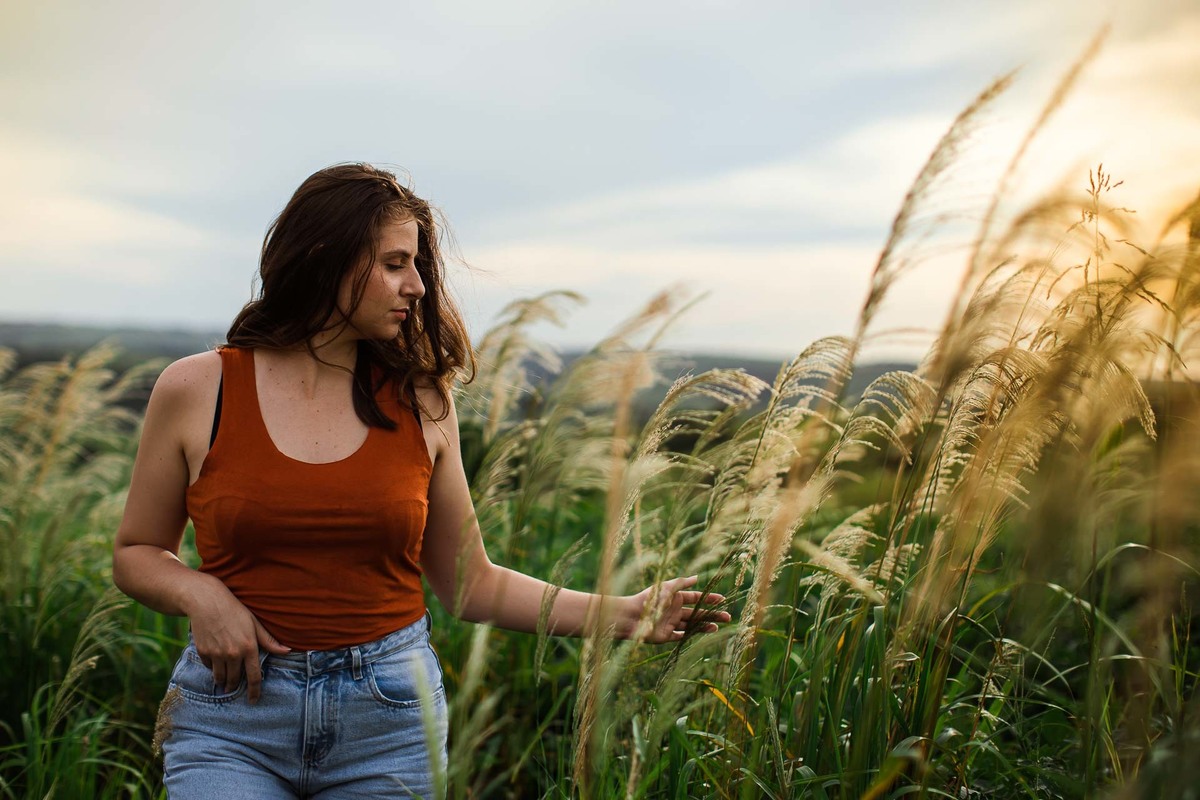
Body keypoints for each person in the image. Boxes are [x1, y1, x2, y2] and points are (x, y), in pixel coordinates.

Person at [111, 163, 729, 798]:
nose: (419, 287)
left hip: (386, 722)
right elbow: (135, 553)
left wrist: (623, 614)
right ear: (327, 258)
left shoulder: (422, 399)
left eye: (419, 266)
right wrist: (201, 596)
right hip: (231, 720)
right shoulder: (197, 390)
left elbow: (469, 584)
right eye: (396, 264)